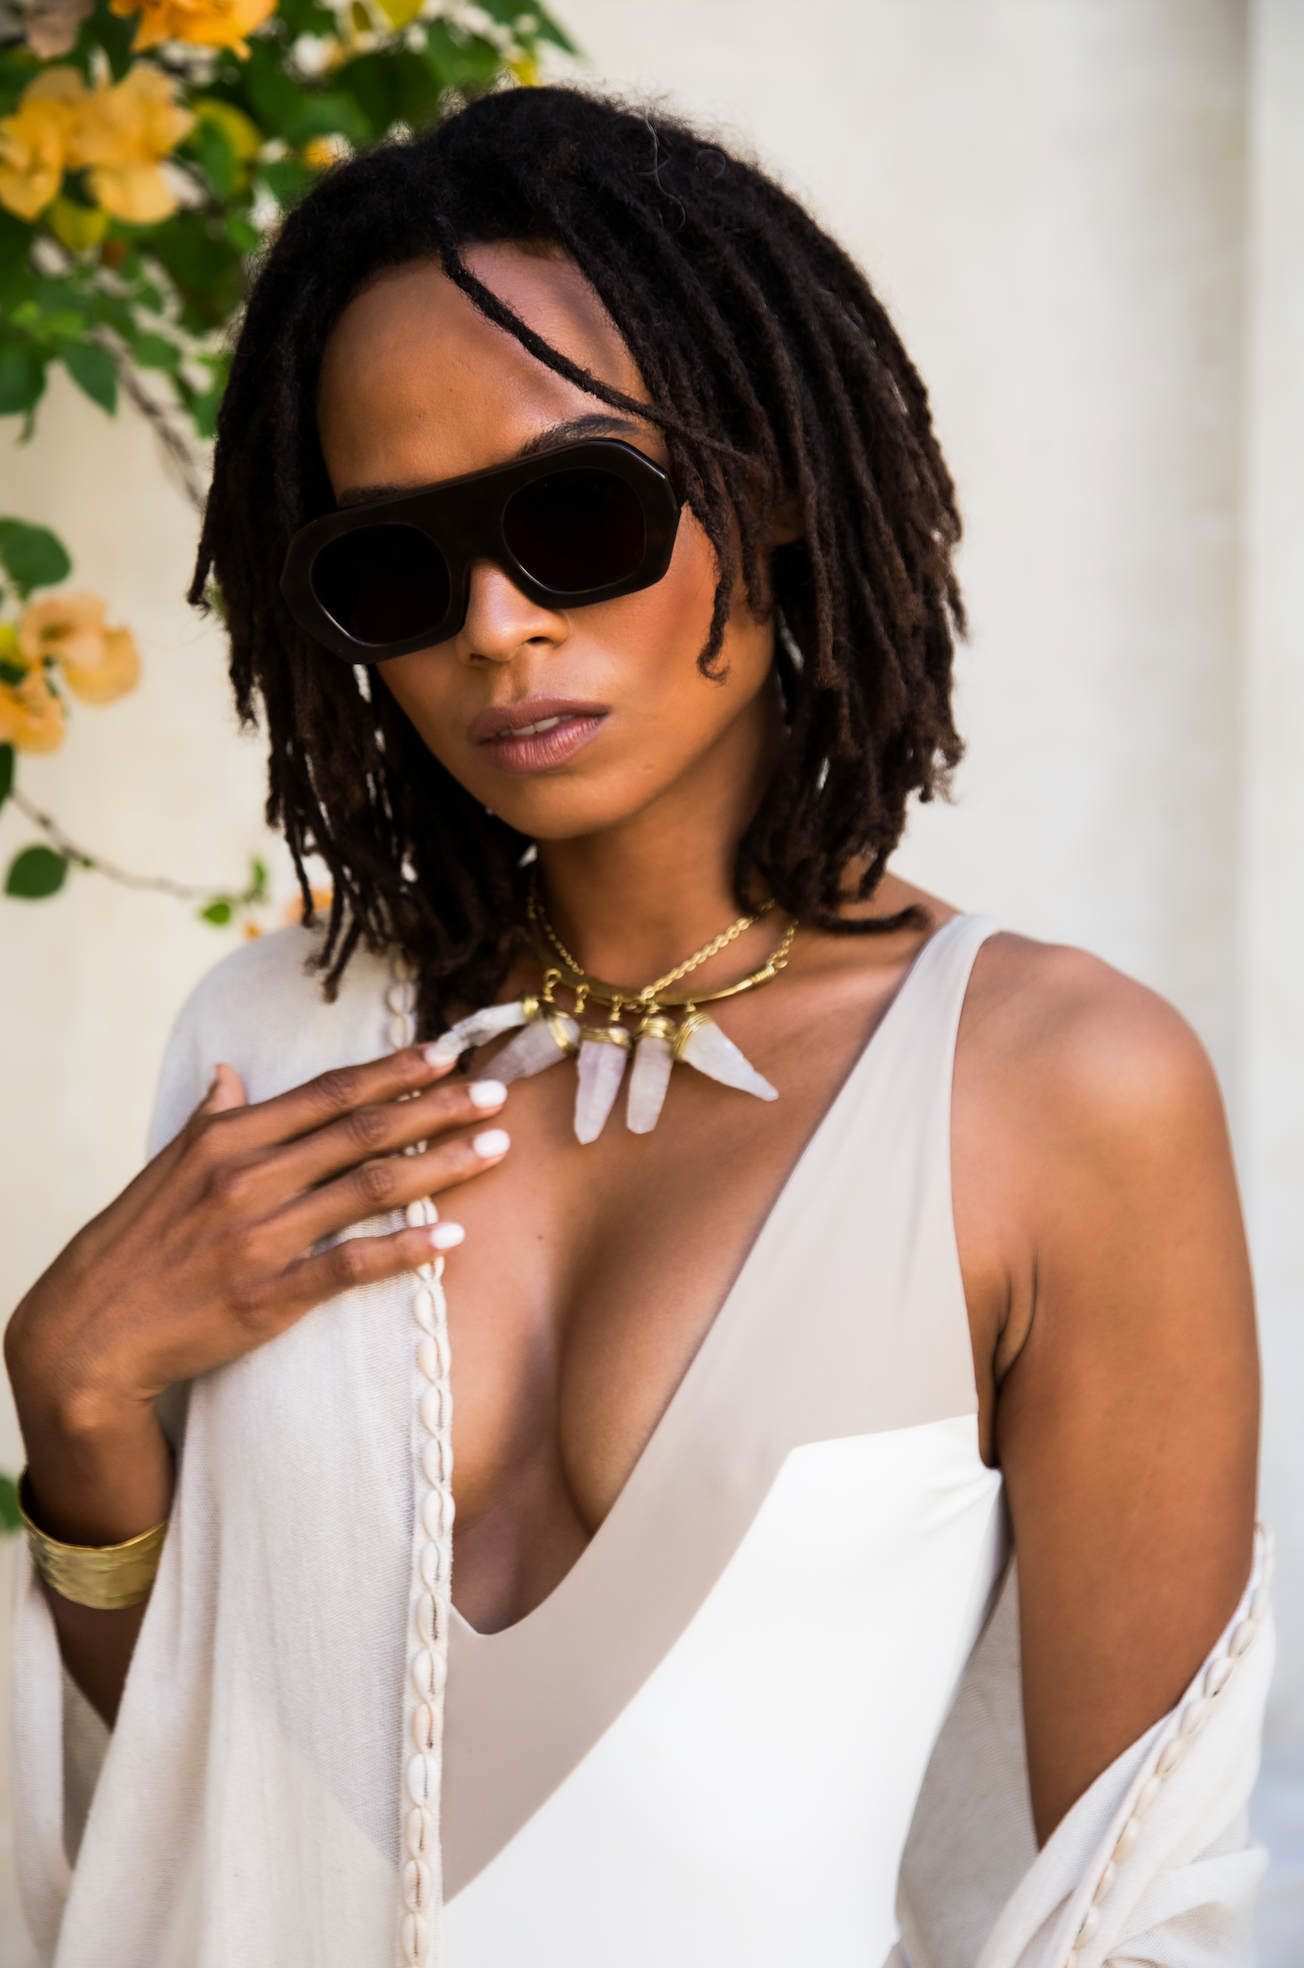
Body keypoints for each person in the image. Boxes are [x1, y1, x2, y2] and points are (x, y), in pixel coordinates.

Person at [5, 85, 1268, 1968]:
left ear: (765, 486)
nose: (497, 625)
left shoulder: (1057, 1090)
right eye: (396, 570)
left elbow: (1131, 1901)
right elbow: (187, 1791)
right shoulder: (275, 1034)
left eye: (576, 511)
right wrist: (78, 1408)